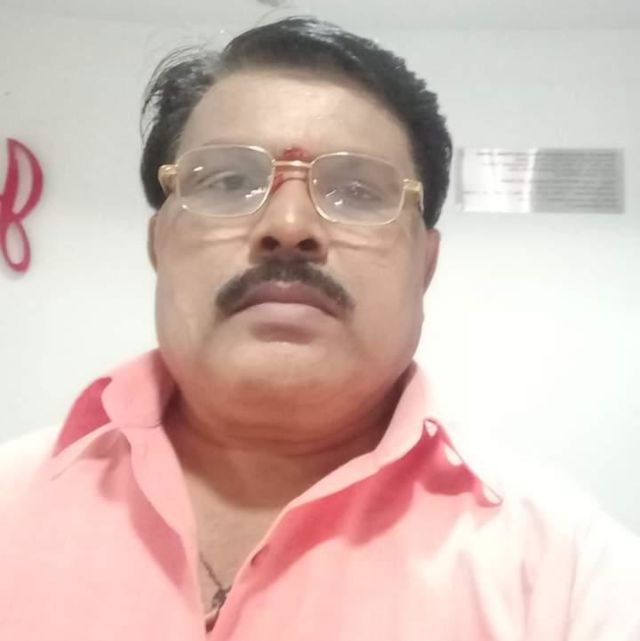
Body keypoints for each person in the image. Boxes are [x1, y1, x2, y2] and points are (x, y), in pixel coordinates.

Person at [1, 16, 639, 641]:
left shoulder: (567, 578)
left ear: (425, 265)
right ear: (158, 244)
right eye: (228, 181)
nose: (288, 226)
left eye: (358, 191)